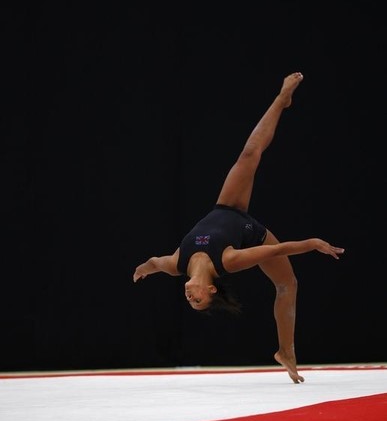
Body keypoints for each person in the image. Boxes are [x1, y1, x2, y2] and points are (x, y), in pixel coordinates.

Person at [133, 72, 345, 383]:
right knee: (288, 285)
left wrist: (142, 269)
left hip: (226, 206)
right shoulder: (228, 261)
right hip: (252, 231)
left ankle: (281, 100)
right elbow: (275, 249)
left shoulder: (177, 264)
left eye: (190, 300)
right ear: (211, 289)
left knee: (249, 153)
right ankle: (286, 350)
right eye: (198, 300)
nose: (190, 298)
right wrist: (310, 242)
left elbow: (154, 263)